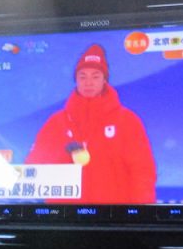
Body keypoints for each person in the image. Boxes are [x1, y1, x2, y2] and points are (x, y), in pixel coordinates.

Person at [26, 43, 156, 204]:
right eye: (83, 77)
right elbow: (33, 168)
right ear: (76, 80)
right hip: (66, 215)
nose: (88, 82)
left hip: (114, 214)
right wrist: (63, 156)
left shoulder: (127, 120)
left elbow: (143, 171)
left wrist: (141, 211)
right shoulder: (56, 122)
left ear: (104, 80)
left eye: (95, 76)